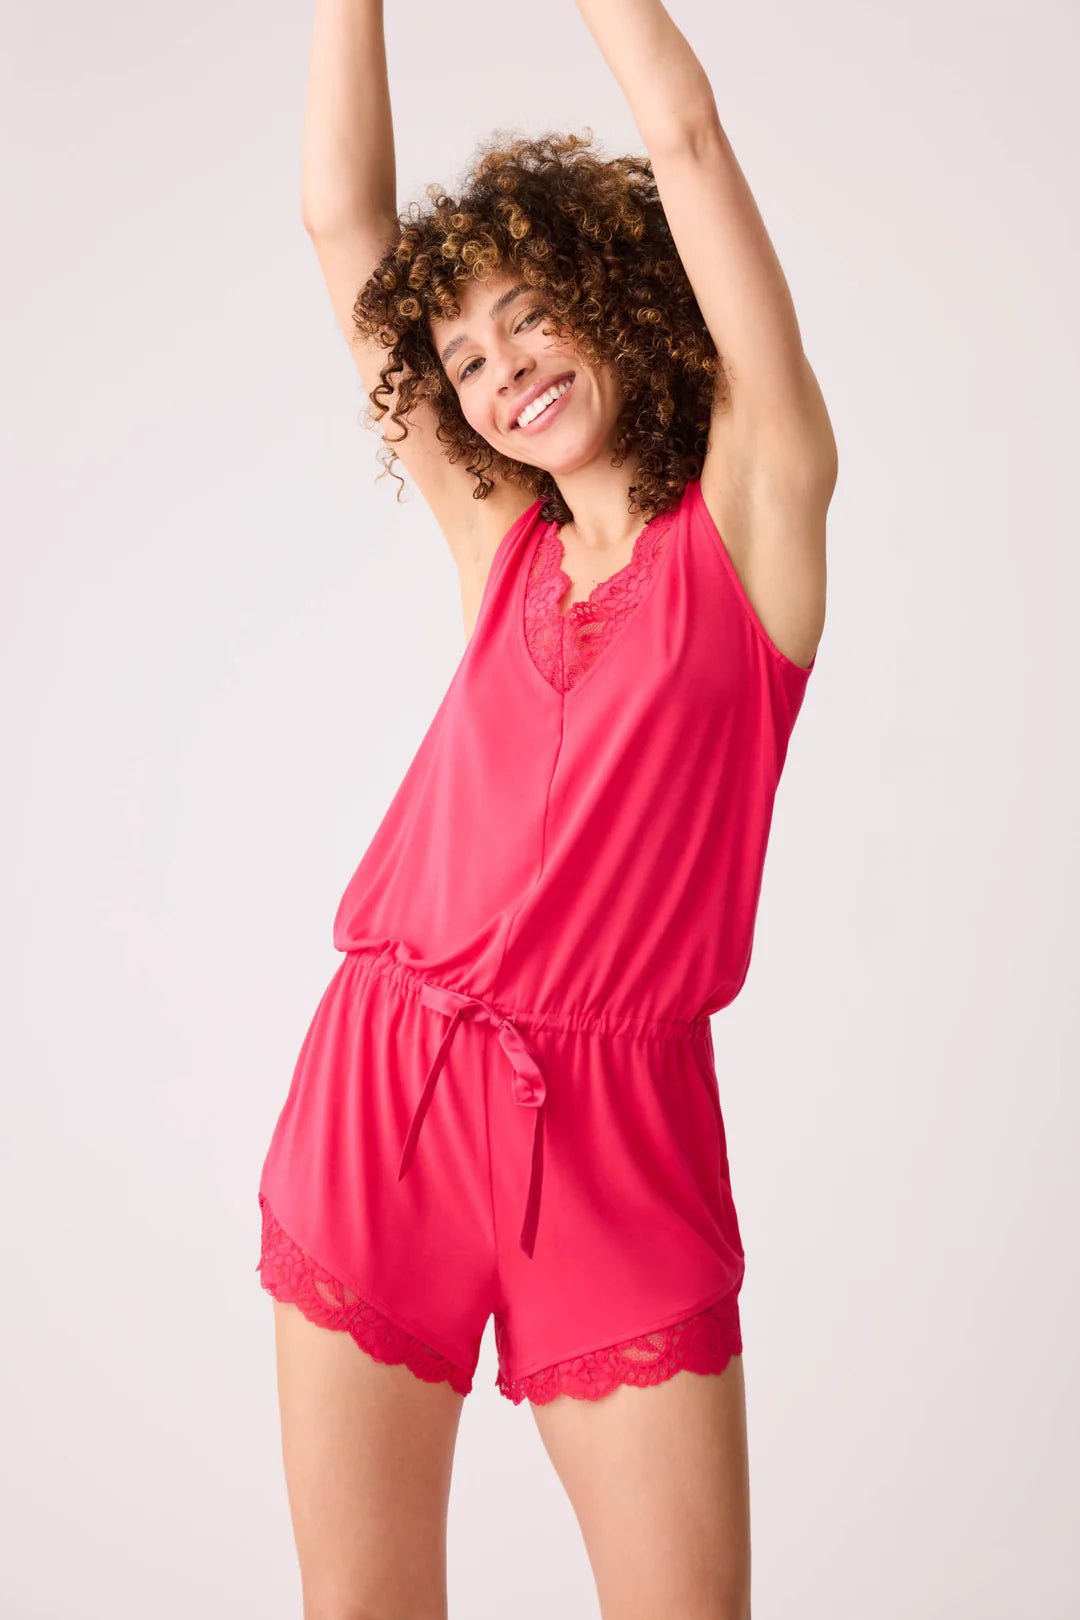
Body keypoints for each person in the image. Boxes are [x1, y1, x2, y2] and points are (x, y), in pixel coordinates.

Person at [255, 0, 836, 1614]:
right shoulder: (495, 541)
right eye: (463, 359)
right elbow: (342, 220)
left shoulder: (758, 514)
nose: (502, 370)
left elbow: (687, 136)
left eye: (528, 318)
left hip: (622, 1133)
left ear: (611, 294)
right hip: (388, 1087)